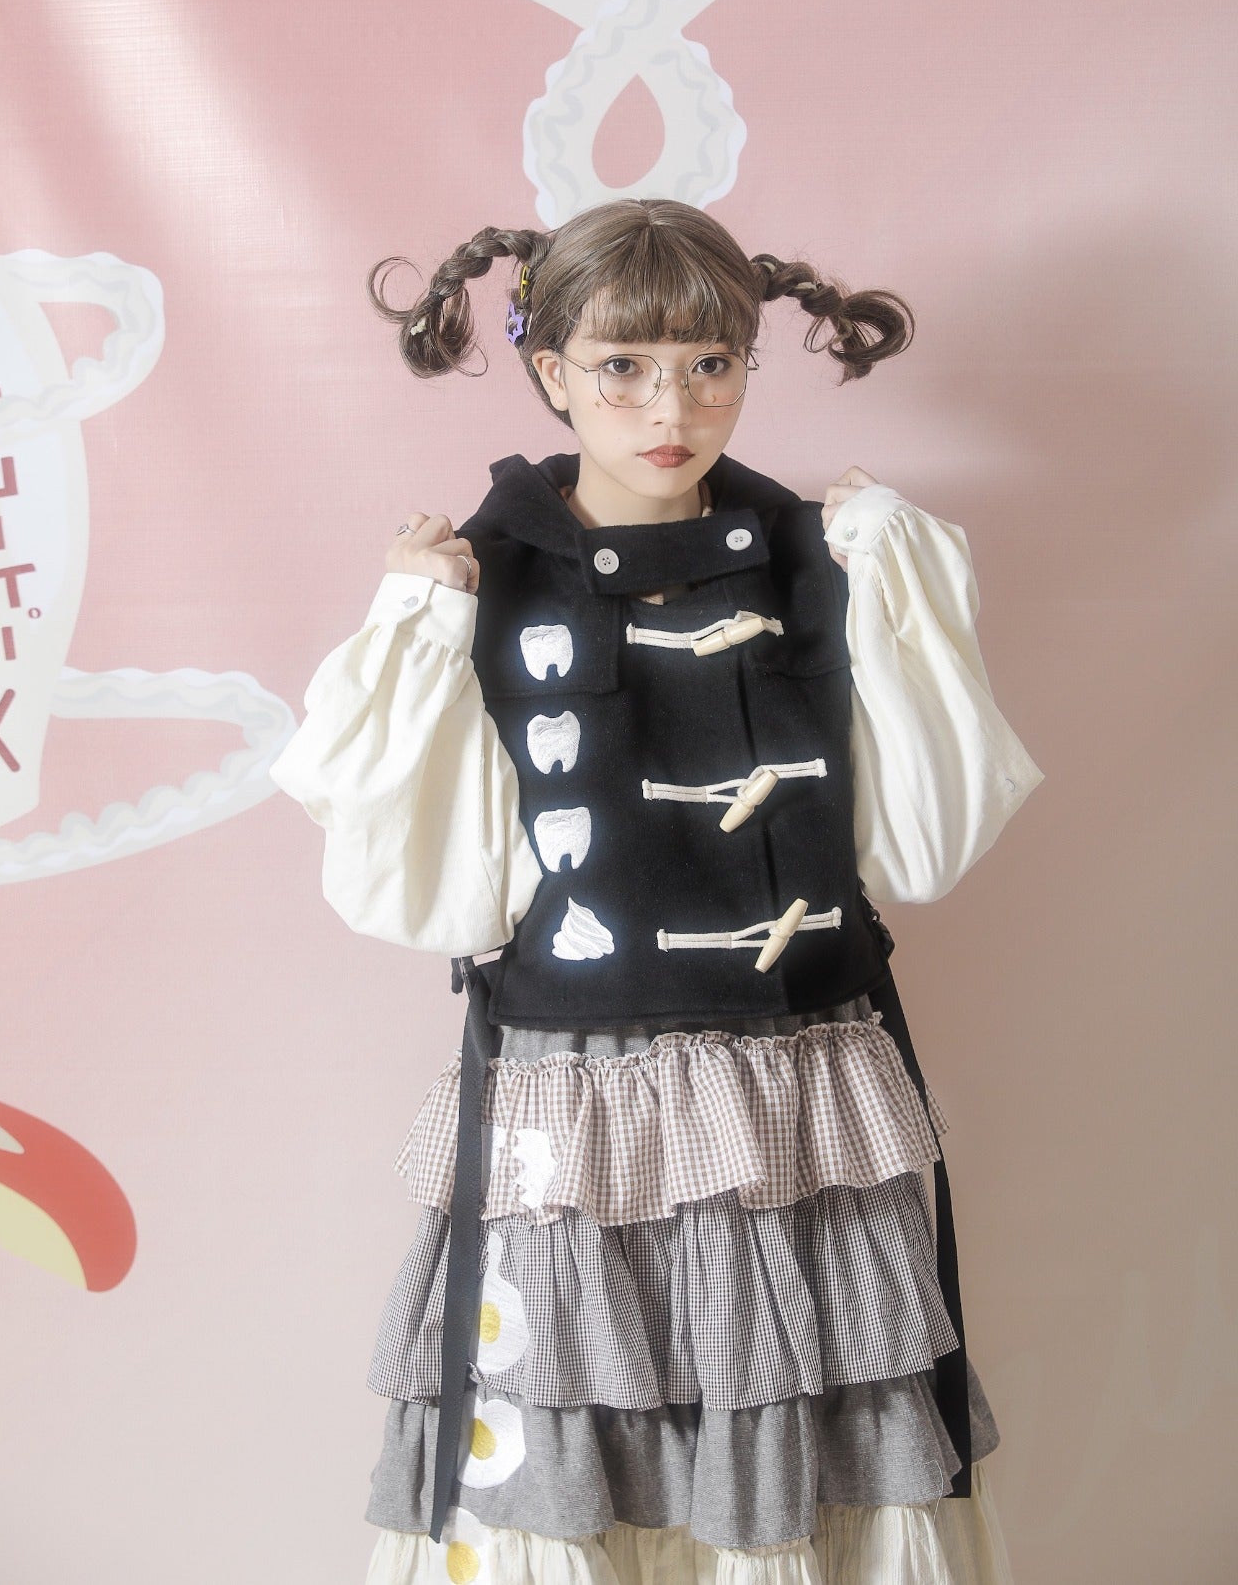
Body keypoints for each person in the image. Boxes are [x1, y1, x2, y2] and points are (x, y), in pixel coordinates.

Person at [269, 197, 1045, 1584]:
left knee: (804, 1438)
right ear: (552, 373)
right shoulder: (477, 585)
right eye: (622, 367)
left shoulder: (827, 563)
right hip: (578, 1094)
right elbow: (417, 889)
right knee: (561, 1430)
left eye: (709, 363)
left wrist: (889, 570)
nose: (670, 407)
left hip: (799, 1088)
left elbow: (926, 843)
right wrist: (418, 616)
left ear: (748, 364)